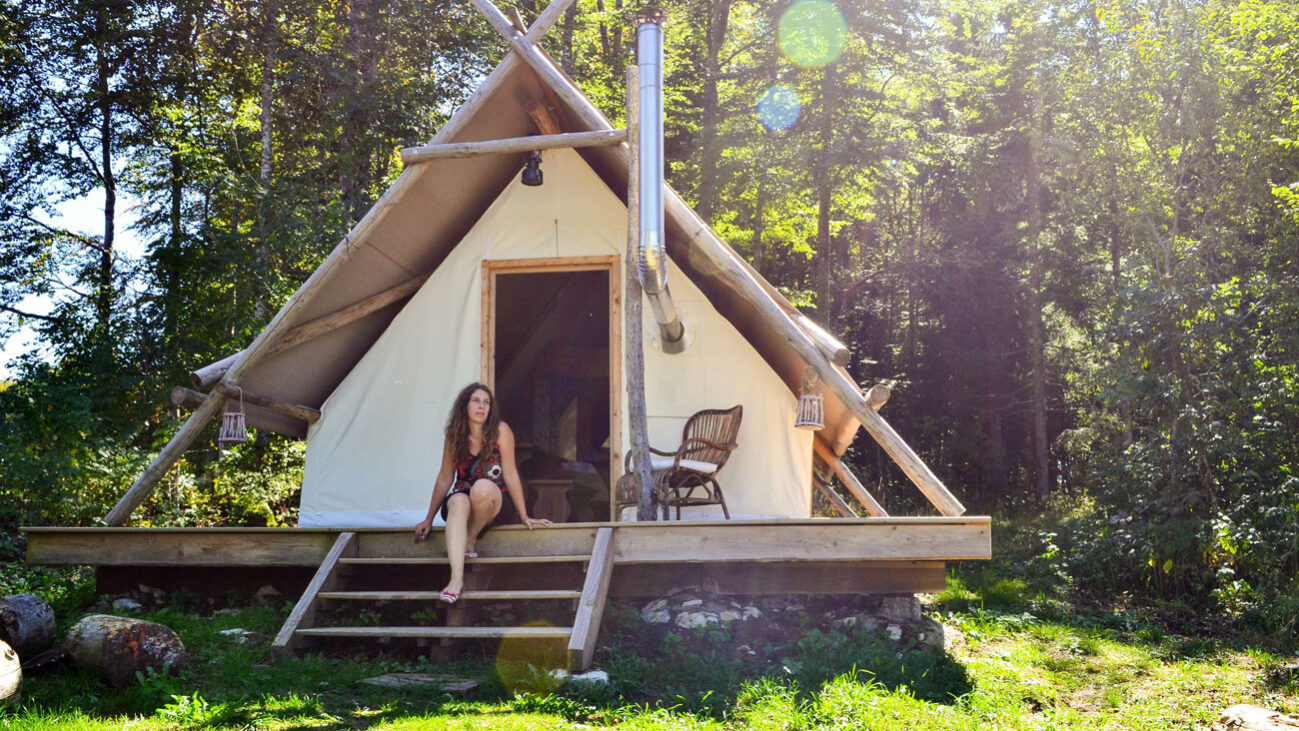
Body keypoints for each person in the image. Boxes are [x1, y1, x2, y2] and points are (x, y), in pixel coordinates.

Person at [414, 382, 550, 603]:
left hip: (495, 503)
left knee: (482, 487)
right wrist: (428, 519)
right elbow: (445, 477)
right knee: (458, 501)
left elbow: (511, 473)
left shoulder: (501, 431)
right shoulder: (454, 434)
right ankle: (456, 580)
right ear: (465, 406)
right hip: (464, 501)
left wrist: (523, 515)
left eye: (486, 402)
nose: (482, 406)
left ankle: (470, 539)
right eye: (476, 401)